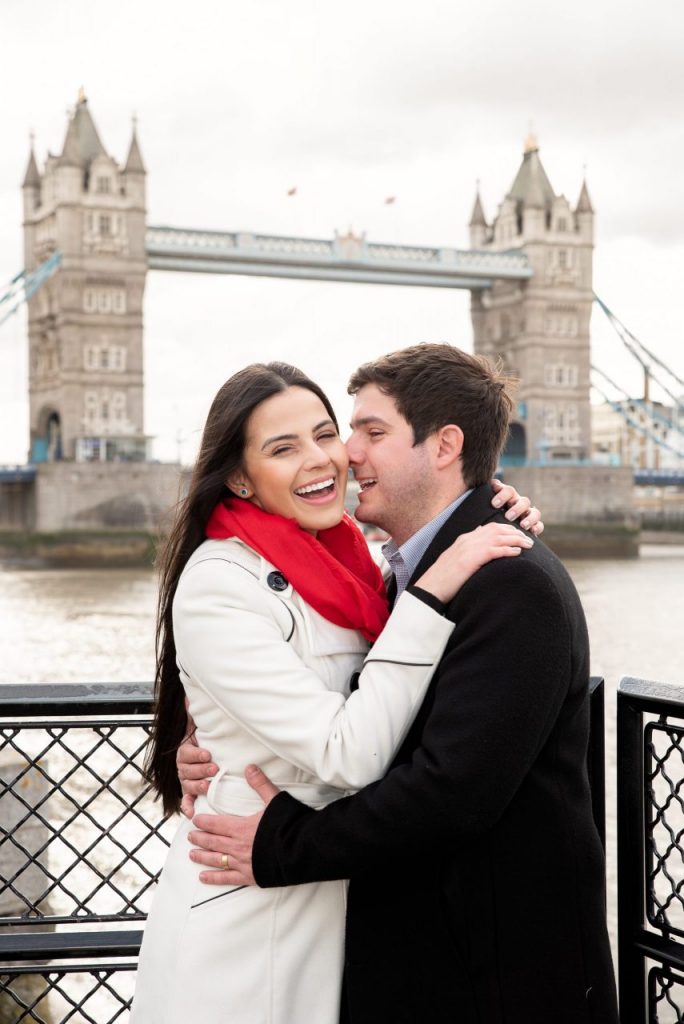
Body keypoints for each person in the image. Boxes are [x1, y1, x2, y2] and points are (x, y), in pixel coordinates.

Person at [182, 344, 619, 1024]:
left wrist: (281, 846)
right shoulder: (389, 578)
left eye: (368, 432)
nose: (347, 454)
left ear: (445, 445)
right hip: (403, 960)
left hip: (493, 982)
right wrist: (217, 740)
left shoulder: (509, 582)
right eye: (345, 431)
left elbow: (451, 794)